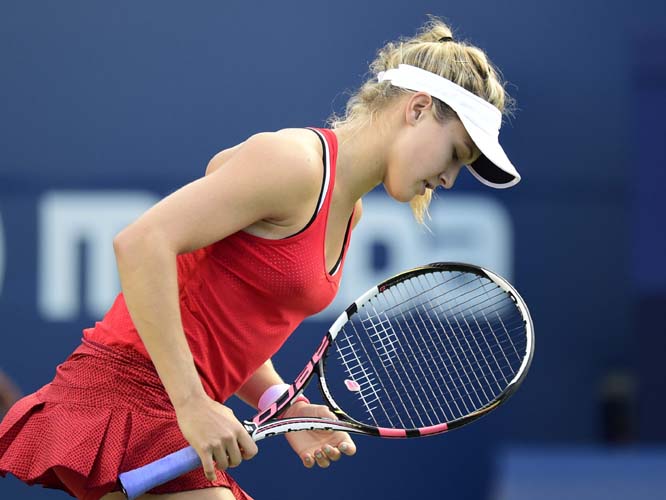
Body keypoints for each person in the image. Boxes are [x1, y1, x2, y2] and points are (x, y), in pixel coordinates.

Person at [0, 16, 520, 500]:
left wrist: (280, 401)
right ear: (418, 108)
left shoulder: (349, 210)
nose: (450, 178)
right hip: (128, 391)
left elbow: (226, 322)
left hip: (169, 404)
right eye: (455, 154)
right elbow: (140, 243)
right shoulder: (294, 164)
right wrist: (191, 404)